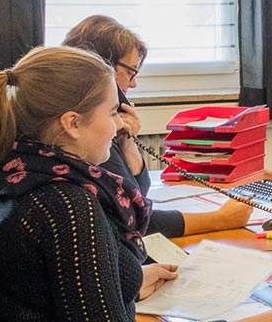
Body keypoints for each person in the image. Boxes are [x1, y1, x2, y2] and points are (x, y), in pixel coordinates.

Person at [0, 47, 272, 322]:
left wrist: (129, 282)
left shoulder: (10, 176)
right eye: (111, 113)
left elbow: (42, 288)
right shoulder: (65, 203)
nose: (117, 126)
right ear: (72, 123)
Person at [61, 15, 254, 238]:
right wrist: (221, 219)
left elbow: (136, 197)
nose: (133, 84)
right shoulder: (84, 130)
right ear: (103, 66)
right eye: (131, 72)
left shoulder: (92, 123)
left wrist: (127, 143)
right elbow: (134, 218)